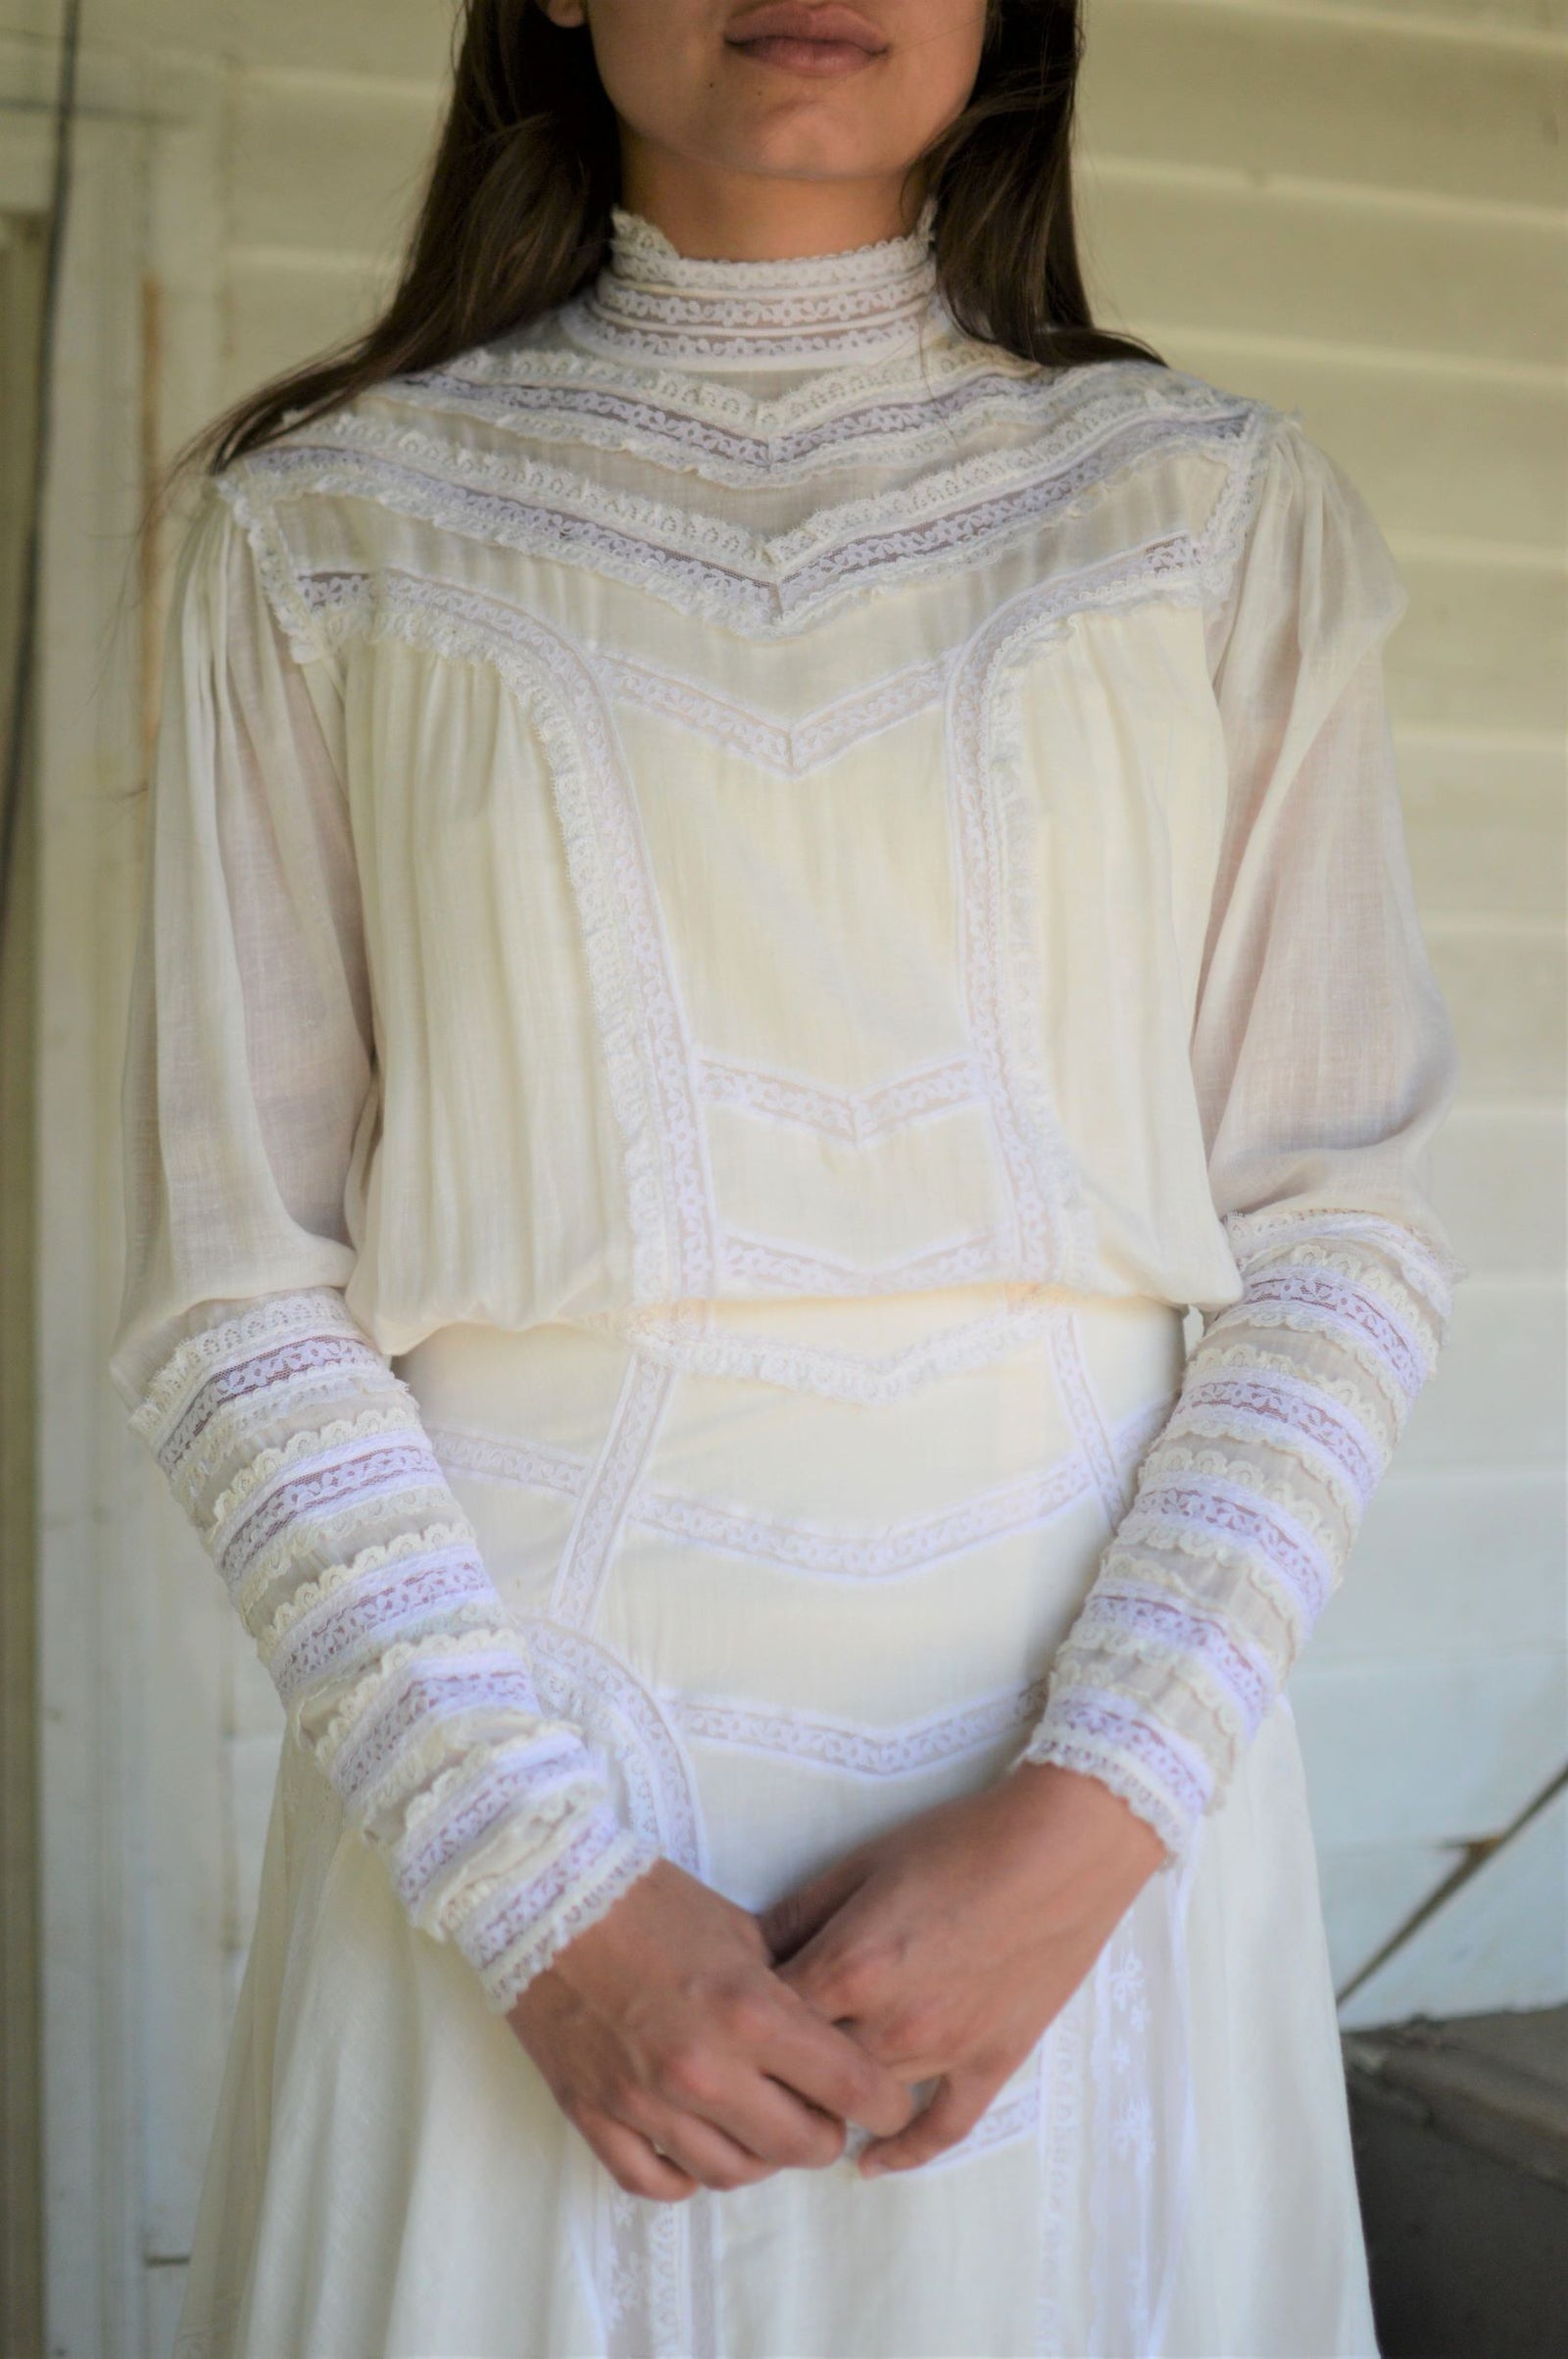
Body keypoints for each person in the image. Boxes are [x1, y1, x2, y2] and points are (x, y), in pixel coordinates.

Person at [109, 2, 1465, 2352]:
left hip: (1086, 1784)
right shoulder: (323, 531)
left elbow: (1329, 1233)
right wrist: (537, 1893)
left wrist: (1092, 1823)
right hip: (516, 1801)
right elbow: (243, 1295)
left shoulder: (1203, 510)